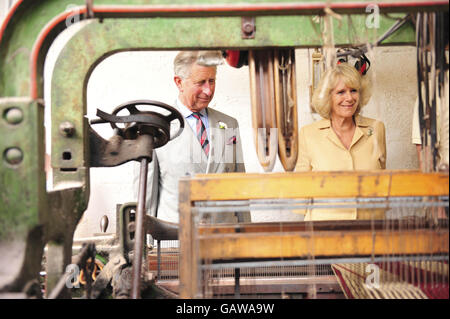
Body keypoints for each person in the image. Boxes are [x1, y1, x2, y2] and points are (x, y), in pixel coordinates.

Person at [136, 51, 250, 224]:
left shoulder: (228, 124)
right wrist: (145, 246)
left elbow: (239, 189)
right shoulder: (155, 129)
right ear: (179, 82)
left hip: (225, 241)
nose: (208, 90)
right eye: (200, 82)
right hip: (175, 241)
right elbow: (146, 197)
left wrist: (246, 236)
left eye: (212, 81)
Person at [295, 63, 386, 220]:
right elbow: (300, 192)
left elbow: (383, 179)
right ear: (327, 97)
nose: (349, 98)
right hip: (325, 230)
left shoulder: (376, 129)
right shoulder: (308, 134)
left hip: (370, 227)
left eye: (353, 91)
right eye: (341, 92)